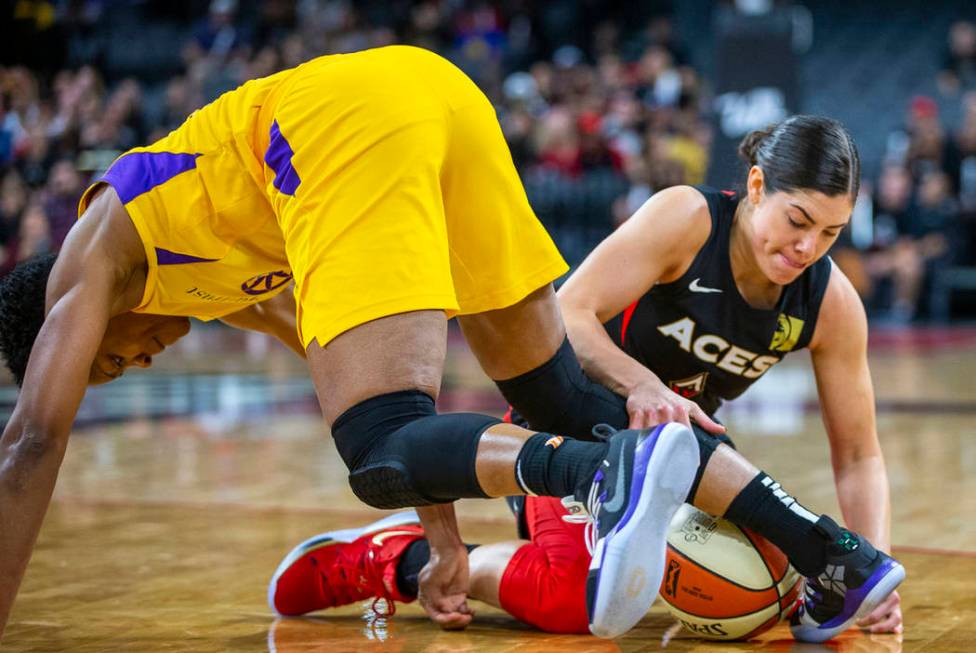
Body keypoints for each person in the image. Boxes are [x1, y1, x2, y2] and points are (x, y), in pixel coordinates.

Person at [0, 44, 734, 641]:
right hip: (435, 91)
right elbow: (400, 410)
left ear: (67, 327)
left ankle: (597, 475)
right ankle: (799, 543)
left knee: (385, 447)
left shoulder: (90, 256)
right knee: (547, 434)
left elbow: (32, 441)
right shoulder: (215, 273)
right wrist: (440, 535)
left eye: (113, 357)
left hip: (348, 121)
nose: (141, 360)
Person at [268, 116, 905, 642]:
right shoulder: (688, 218)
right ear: (758, 186)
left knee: (765, 595)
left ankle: (844, 566)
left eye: (831, 232)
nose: (807, 248)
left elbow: (858, 454)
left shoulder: (831, 304)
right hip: (567, 427)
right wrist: (640, 384)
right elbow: (567, 314)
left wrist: (872, 589)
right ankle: (389, 561)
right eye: (797, 221)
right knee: (570, 602)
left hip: (680, 462)